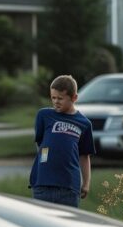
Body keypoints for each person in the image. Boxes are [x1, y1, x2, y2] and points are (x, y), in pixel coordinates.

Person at [29, 74, 95, 208]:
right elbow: (40, 144)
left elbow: (84, 155)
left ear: (74, 98)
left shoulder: (84, 123)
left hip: (69, 187)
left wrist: (86, 183)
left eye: (60, 98)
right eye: (53, 97)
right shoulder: (44, 115)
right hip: (43, 185)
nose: (55, 101)